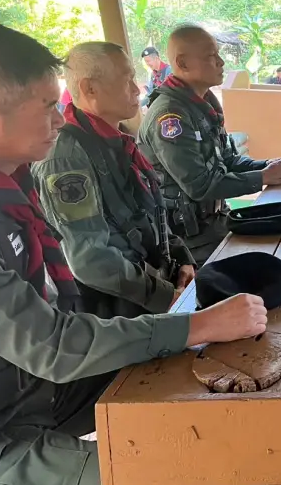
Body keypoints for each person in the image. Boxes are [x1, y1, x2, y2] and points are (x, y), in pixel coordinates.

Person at [0, 20, 267, 485]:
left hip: (33, 387)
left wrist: (187, 322)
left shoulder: (3, 181)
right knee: (147, 482)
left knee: (187, 376)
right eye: (47, 106)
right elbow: (48, 343)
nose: (59, 118)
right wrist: (194, 324)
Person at [34, 42, 195, 320]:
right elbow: (90, 259)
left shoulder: (114, 143)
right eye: (126, 79)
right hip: (116, 311)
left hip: (151, 287)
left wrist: (182, 258)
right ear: (90, 88)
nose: (136, 89)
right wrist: (164, 296)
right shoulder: (67, 158)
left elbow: (148, 210)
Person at [138, 25, 281, 265]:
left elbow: (227, 160)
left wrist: (267, 166)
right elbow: (200, 185)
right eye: (211, 56)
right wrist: (263, 177)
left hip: (216, 220)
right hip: (190, 241)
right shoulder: (170, 116)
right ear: (183, 63)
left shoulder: (201, 104)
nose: (221, 62)